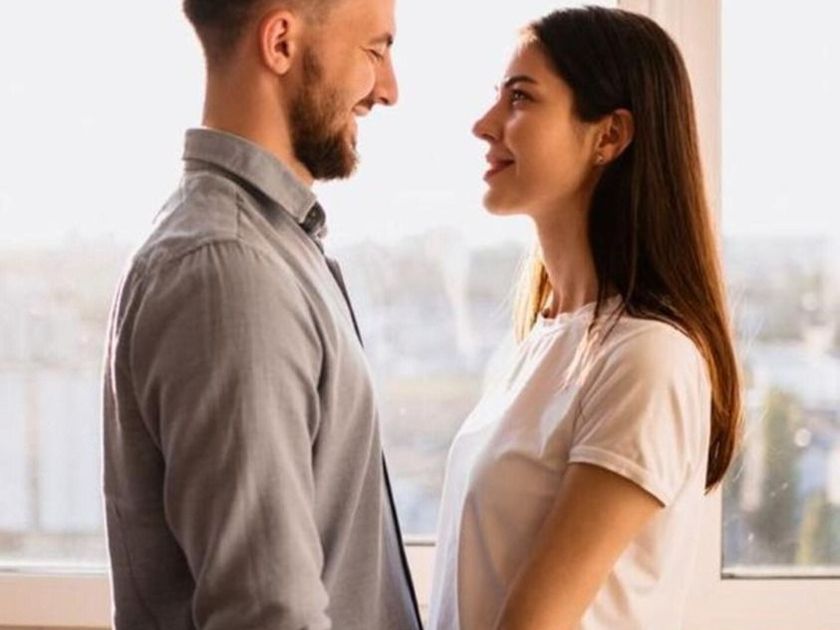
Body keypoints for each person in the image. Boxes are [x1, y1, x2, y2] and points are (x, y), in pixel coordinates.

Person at [101, 0, 422, 628]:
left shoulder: (260, 249)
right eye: (375, 51)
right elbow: (266, 614)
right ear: (280, 43)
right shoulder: (231, 268)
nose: (388, 90)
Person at [429, 7, 741, 630]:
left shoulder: (646, 357)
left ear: (609, 136)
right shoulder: (543, 341)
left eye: (520, 97)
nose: (484, 125)